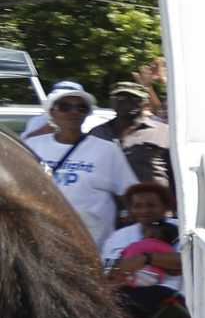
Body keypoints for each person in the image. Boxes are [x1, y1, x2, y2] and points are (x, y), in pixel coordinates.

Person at [25, 87, 138, 247]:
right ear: (52, 112)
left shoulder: (107, 150)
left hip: (92, 243)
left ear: (87, 114)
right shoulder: (33, 146)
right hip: (43, 239)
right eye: (65, 107)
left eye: (81, 108)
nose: (74, 112)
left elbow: (129, 193)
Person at [102, 181, 183, 318]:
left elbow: (187, 263)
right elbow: (108, 270)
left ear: (165, 207)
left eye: (151, 205)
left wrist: (146, 258)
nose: (144, 210)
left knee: (119, 303)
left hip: (169, 294)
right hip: (125, 290)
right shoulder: (118, 236)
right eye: (137, 206)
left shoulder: (182, 229)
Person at [89, 81, 173, 199]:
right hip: (107, 207)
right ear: (112, 102)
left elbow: (176, 172)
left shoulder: (164, 132)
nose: (127, 102)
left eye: (134, 98)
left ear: (145, 102)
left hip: (150, 209)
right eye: (121, 98)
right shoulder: (97, 132)